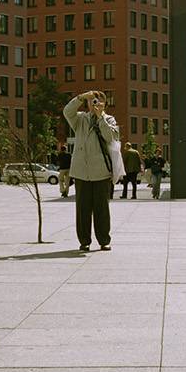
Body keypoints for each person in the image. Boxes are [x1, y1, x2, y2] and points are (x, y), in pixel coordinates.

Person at [63, 89, 119, 252]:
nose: (94, 103)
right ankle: (84, 241)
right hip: (81, 171)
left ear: (104, 104)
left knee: (102, 209)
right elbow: (67, 111)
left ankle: (104, 240)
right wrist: (80, 97)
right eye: (92, 101)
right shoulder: (80, 119)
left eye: (98, 101)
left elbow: (110, 137)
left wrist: (100, 116)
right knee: (82, 209)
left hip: (101, 171)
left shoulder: (110, 120)